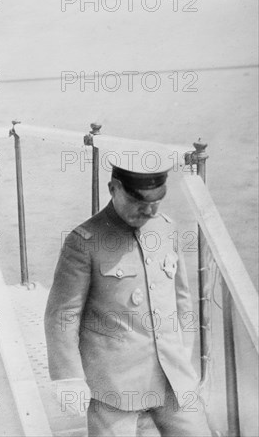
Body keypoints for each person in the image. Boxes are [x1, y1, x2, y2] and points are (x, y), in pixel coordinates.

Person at [44, 153, 212, 436]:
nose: (148, 212)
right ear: (113, 189)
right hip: (114, 383)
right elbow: (62, 316)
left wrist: (185, 351)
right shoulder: (84, 242)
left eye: (155, 202)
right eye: (138, 202)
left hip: (172, 374)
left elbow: (182, 298)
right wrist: (69, 379)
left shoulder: (166, 228)